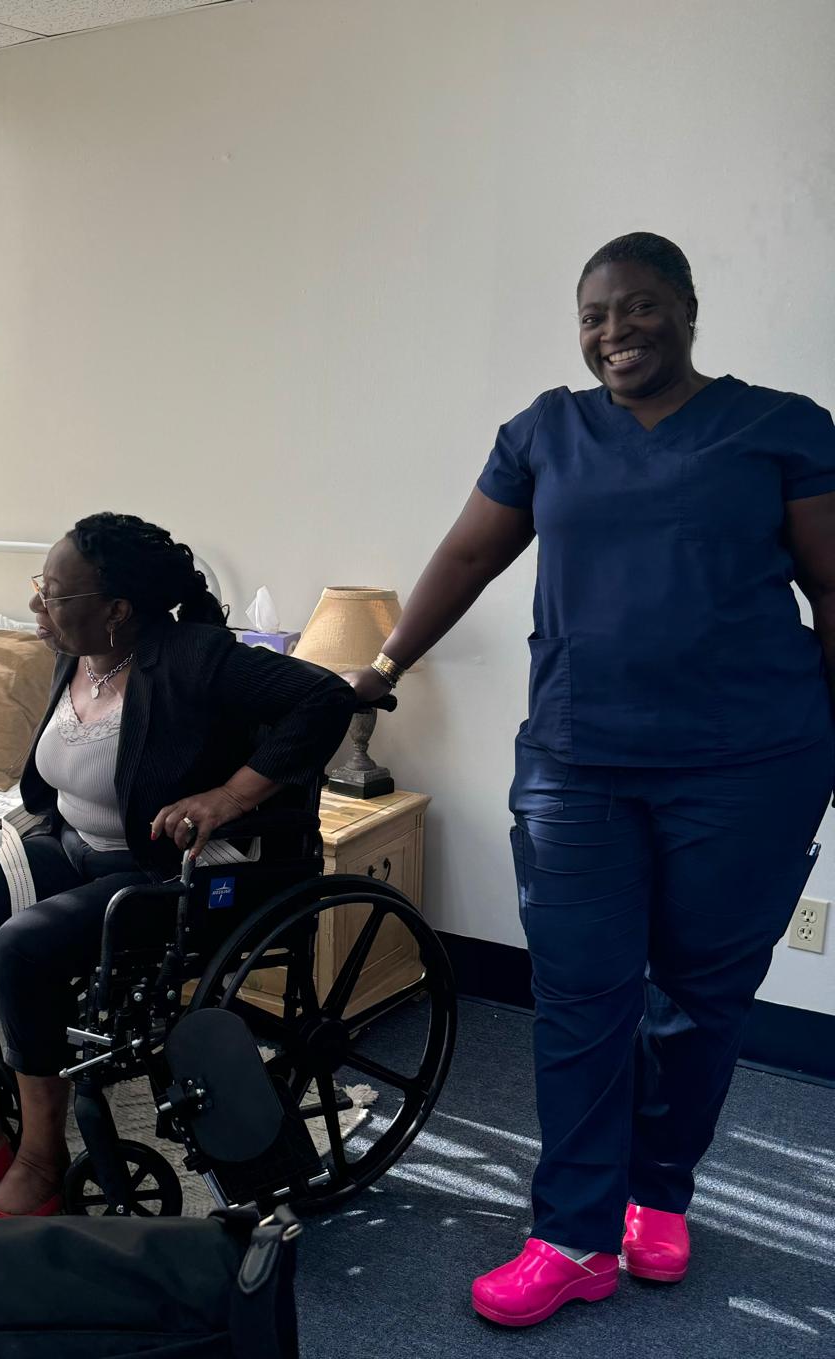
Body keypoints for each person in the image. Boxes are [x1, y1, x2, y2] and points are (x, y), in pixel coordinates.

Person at [347, 233, 835, 1327]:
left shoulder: (783, 428)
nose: (617, 331)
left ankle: (658, 1194)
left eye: (641, 306)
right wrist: (382, 667)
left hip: (750, 766)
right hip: (579, 765)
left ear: (688, 309)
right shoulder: (546, 433)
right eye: (596, 315)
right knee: (580, 1001)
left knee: (699, 1000)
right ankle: (571, 1233)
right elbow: (468, 556)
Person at [0, 512, 357, 1220]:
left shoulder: (194, 656)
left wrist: (229, 795)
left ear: (118, 610)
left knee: (23, 945)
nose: (37, 603)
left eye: (55, 594)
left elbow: (327, 698)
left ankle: (39, 1164)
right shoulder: (78, 651)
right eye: (41, 586)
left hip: (170, 867)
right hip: (75, 848)